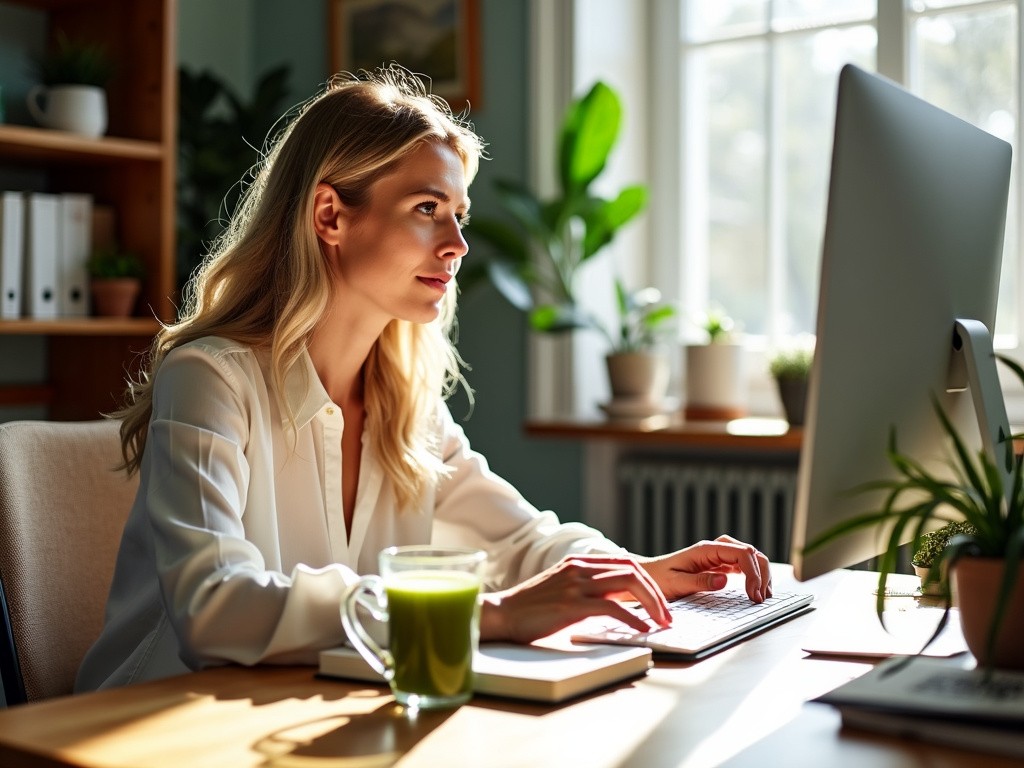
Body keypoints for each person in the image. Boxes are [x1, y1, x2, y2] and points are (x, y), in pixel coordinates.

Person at [75, 66, 772, 693]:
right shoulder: (209, 379)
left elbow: (522, 543)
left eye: (460, 216)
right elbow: (214, 607)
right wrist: (489, 615)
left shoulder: (406, 407)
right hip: (155, 725)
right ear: (330, 215)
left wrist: (635, 570)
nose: (459, 246)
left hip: (304, 714)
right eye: (427, 209)